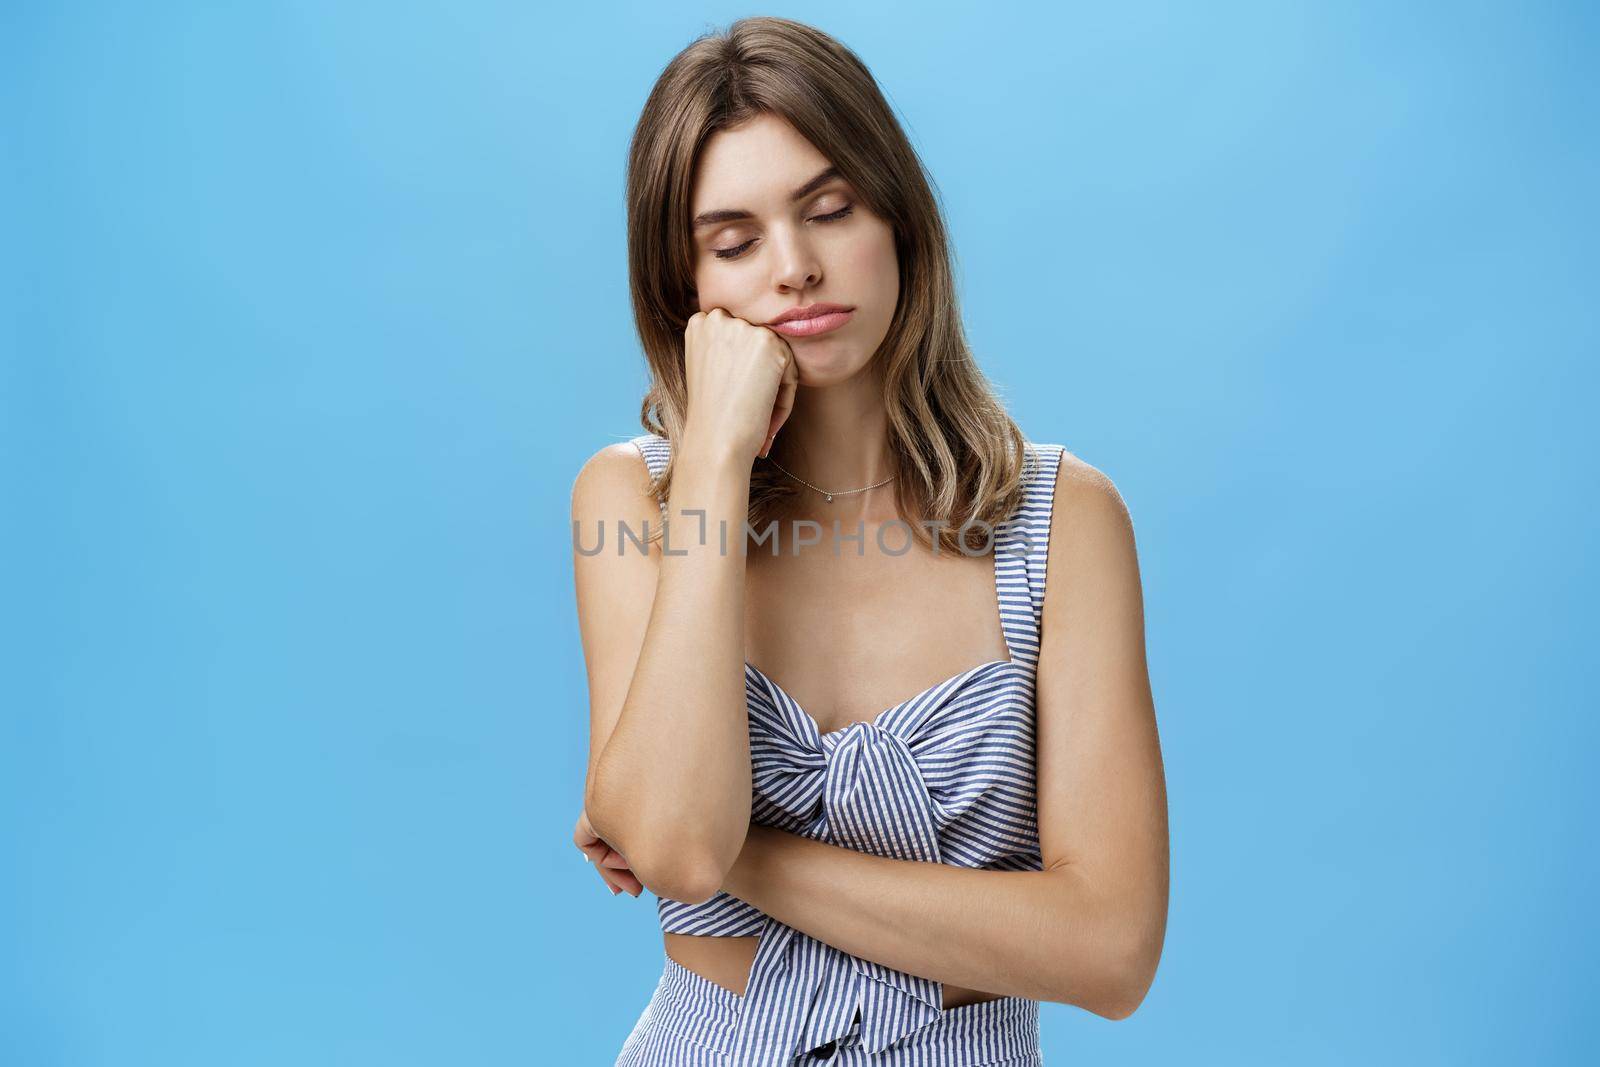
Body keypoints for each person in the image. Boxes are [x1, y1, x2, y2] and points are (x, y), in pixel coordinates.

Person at [570, 17, 1168, 1066]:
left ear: (899, 219)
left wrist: (732, 857)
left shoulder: (1064, 520)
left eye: (829, 209)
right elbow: (669, 842)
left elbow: (1110, 950)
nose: (795, 268)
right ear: (685, 287)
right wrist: (711, 457)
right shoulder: (629, 499)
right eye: (733, 241)